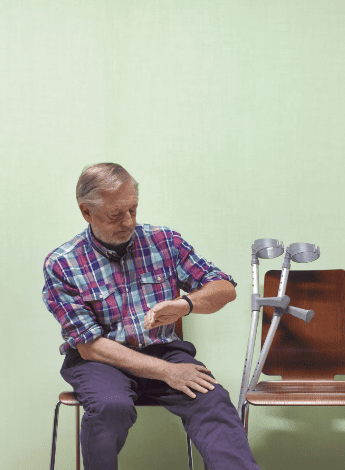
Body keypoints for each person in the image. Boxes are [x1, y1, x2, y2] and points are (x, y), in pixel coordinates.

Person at [42, 163, 259, 470]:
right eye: (116, 214)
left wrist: (187, 305)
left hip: (163, 349)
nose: (128, 221)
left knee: (212, 401)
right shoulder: (63, 264)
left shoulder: (164, 242)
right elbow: (89, 346)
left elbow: (224, 288)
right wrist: (167, 372)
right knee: (110, 407)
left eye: (133, 209)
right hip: (100, 359)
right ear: (86, 212)